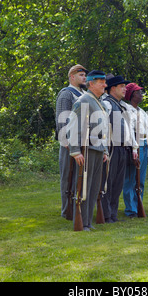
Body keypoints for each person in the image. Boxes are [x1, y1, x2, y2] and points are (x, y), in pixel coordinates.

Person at [66, 70, 109, 231]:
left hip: (97, 149)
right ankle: (82, 221)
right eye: (101, 82)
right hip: (87, 149)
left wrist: (104, 150)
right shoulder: (83, 100)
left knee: (94, 187)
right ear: (91, 83)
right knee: (84, 186)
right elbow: (73, 126)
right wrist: (76, 151)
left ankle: (87, 222)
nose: (105, 85)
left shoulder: (99, 102)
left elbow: (103, 129)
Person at [101, 75, 138, 223]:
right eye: (121, 86)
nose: (125, 89)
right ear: (113, 88)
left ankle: (113, 214)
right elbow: (102, 128)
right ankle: (105, 214)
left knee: (118, 183)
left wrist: (132, 146)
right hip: (111, 147)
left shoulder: (121, 105)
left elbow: (128, 128)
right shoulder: (107, 104)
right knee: (108, 182)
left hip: (123, 148)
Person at [55, 64, 88, 220]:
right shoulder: (66, 94)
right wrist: (66, 141)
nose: (84, 78)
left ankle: (77, 208)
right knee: (68, 178)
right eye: (80, 75)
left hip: (83, 143)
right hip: (69, 144)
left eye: (84, 75)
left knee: (79, 178)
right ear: (72, 77)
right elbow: (62, 119)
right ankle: (67, 211)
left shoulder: (84, 94)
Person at [122, 83, 148, 217]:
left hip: (144, 146)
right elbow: (128, 132)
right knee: (130, 179)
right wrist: (134, 148)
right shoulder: (127, 111)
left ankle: (138, 204)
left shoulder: (143, 112)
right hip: (134, 147)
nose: (141, 94)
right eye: (138, 92)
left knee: (140, 180)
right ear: (131, 95)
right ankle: (131, 209)